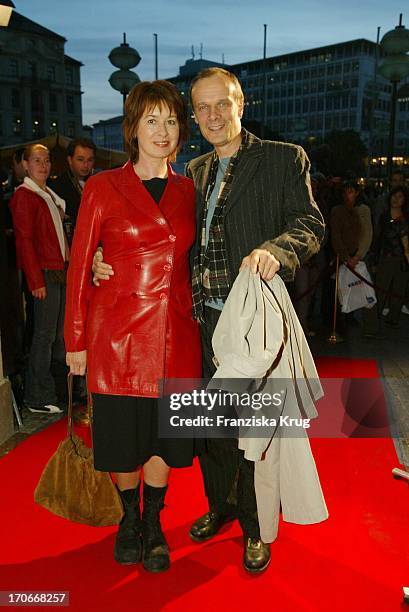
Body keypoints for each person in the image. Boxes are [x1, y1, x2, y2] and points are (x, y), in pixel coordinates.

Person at [93, 67, 325, 573]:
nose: (213, 115)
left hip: (254, 330)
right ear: (194, 117)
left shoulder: (284, 159)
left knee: (257, 435)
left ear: (241, 104)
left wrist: (275, 251)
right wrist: (102, 259)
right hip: (201, 326)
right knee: (214, 434)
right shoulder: (191, 174)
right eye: (202, 108)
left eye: (223, 104)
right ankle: (220, 507)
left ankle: (257, 527)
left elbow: (310, 223)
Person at [64, 80, 201, 573]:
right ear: (133, 129)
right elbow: (80, 265)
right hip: (118, 334)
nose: (161, 131)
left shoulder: (190, 189)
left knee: (166, 439)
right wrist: (75, 340)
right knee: (123, 438)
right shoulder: (103, 186)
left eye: (170, 121)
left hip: (176, 335)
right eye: (151, 120)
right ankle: (128, 518)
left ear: (181, 131)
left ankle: (156, 520)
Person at [9, 144, 69, 414]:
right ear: (24, 164)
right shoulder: (25, 195)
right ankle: (36, 396)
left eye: (46, 160)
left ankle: (50, 391)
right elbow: (25, 240)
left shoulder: (47, 194)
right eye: (37, 160)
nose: (43, 165)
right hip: (45, 273)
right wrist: (35, 281)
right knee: (44, 336)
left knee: (55, 335)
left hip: (56, 270)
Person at [371, 186, 409, 327]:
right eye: (394, 196)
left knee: (399, 289)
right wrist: (375, 259)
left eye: (400, 197)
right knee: (381, 289)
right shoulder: (384, 216)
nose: (396, 199)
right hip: (386, 257)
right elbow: (378, 237)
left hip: (403, 260)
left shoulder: (406, 218)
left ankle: (393, 318)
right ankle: (375, 320)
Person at [49, 138, 96, 244]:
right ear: (70, 160)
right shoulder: (56, 187)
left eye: (90, 160)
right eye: (80, 159)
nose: (85, 165)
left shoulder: (98, 184)